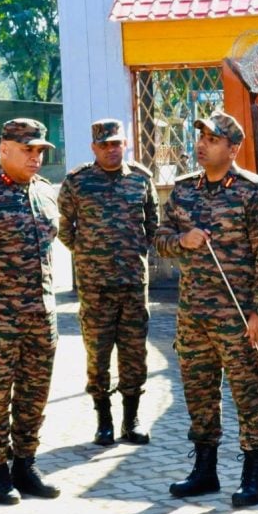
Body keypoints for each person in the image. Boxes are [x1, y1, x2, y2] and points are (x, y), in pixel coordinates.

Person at [154, 111, 258, 508]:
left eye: (212, 138)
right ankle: (205, 470)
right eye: (202, 136)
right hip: (193, 313)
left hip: (238, 314)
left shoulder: (253, 191)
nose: (202, 143)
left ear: (233, 148)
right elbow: (159, 239)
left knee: (247, 393)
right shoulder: (184, 190)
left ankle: (253, 474)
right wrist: (183, 241)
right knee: (199, 393)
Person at [57, 118, 158, 447]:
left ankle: (132, 419)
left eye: (117, 143)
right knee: (97, 355)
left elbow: (153, 226)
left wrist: (132, 252)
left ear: (125, 144)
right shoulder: (77, 182)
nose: (112, 150)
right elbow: (64, 228)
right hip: (95, 286)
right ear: (94, 147)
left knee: (134, 354)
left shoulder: (141, 180)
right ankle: (104, 420)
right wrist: (88, 254)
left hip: (132, 284)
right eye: (105, 145)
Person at [0, 118, 61, 505]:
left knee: (34, 392)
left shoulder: (44, 192)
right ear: (4, 149)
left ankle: (26, 464)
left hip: (41, 313)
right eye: (28, 150)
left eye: (40, 151)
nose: (35, 157)